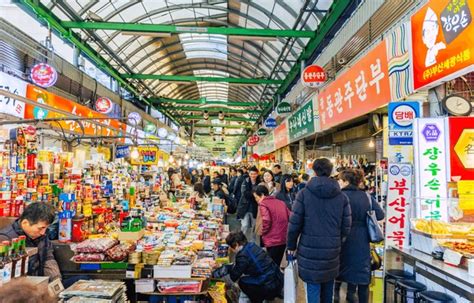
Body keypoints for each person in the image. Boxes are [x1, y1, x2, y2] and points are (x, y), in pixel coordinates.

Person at [287, 158, 352, 303]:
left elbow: (294, 224)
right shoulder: (341, 197)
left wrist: (291, 246)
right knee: (328, 283)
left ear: (314, 171)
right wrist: (337, 240)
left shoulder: (304, 194)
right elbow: (346, 226)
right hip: (332, 250)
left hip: (309, 250)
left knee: (313, 286)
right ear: (331, 172)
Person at [336, 169, 384, 303]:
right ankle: (357, 297)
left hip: (341, 238)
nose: (339, 183)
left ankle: (337, 297)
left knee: (339, 270)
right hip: (362, 240)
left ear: (346, 181)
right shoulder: (367, 197)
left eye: (340, 180)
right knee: (361, 275)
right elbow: (380, 215)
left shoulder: (338, 196)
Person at [0, 203, 60, 281]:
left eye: (46, 228)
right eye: (40, 228)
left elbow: (48, 259)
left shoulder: (41, 236)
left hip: (39, 283)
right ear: (25, 223)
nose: (43, 232)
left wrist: (56, 283)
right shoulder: (6, 239)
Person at [225, 231, 283, 303]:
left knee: (242, 282)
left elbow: (234, 276)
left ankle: (257, 299)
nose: (231, 249)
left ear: (236, 245)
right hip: (277, 280)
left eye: (231, 247)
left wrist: (228, 269)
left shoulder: (242, 256)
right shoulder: (252, 245)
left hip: (269, 286)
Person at [253, 185, 289, 266]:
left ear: (262, 195)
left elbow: (266, 220)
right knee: (277, 263)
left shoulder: (263, 204)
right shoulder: (281, 202)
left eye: (256, 197)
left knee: (271, 265)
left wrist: (263, 232)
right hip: (283, 238)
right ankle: (278, 277)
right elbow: (290, 216)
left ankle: (275, 278)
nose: (256, 200)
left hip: (272, 239)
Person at [237, 166, 260, 241]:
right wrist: (255, 194)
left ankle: (252, 242)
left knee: (254, 226)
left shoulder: (260, 182)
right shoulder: (245, 181)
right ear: (249, 174)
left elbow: (261, 194)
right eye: (251, 174)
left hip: (255, 208)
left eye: (254, 174)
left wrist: (252, 194)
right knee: (245, 225)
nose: (253, 175)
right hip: (245, 207)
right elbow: (244, 193)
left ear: (257, 174)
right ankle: (240, 240)